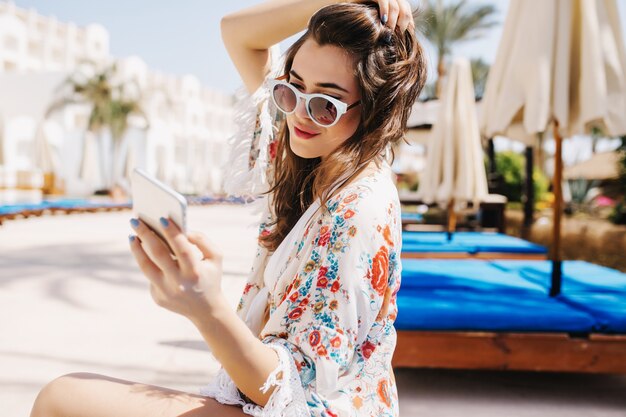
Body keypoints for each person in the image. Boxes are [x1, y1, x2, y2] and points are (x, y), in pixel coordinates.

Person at [29, 1, 425, 416]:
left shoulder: (358, 211)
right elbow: (239, 35)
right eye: (290, 88)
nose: (298, 113)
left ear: (376, 112)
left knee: (62, 399)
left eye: (327, 103)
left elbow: (286, 393)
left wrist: (205, 306)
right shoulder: (310, 151)